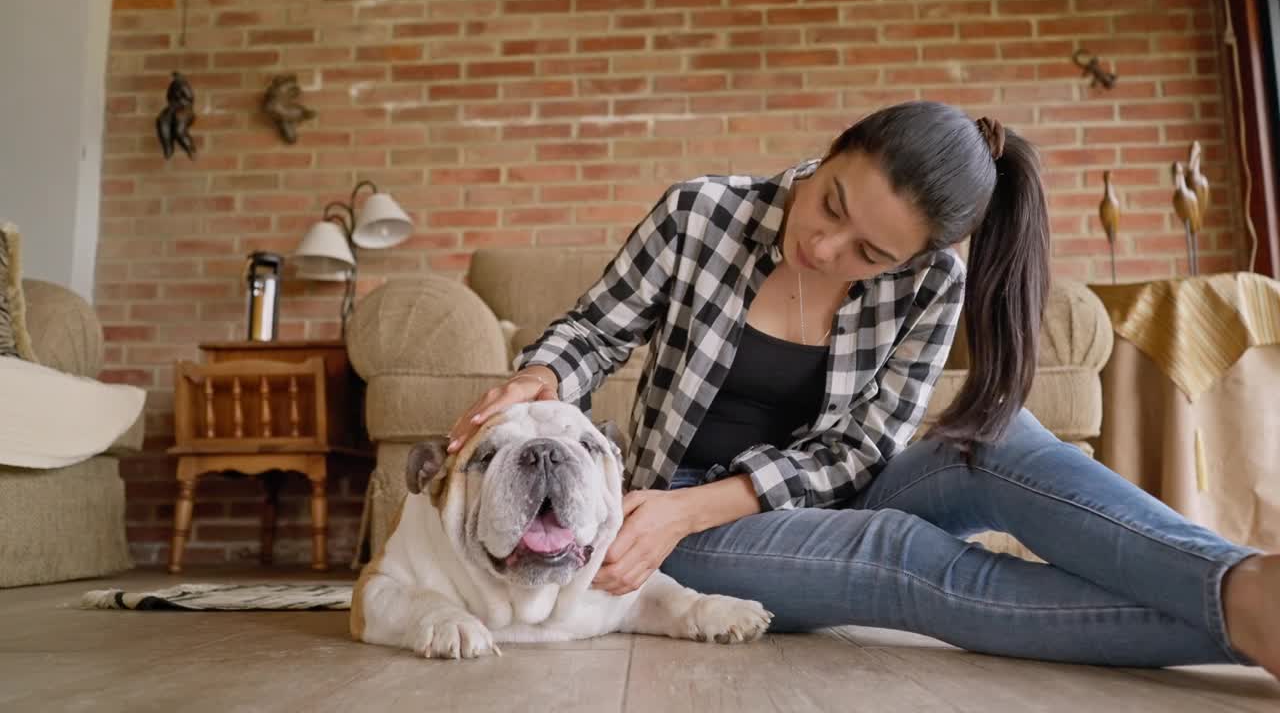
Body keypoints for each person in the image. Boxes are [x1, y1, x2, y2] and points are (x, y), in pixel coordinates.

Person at [446, 100, 1278, 677]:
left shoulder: (933, 285)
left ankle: (1246, 587)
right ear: (833, 150)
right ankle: (1242, 620)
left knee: (999, 437)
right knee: (895, 554)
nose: (822, 246)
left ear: (912, 260)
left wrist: (710, 504)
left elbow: (861, 449)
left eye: (868, 256)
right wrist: (541, 374)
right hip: (672, 519)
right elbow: (596, 331)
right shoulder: (700, 214)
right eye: (830, 202)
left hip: (818, 492)